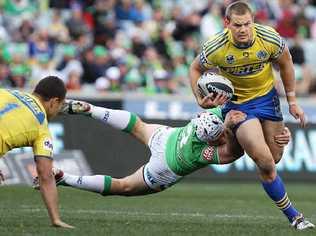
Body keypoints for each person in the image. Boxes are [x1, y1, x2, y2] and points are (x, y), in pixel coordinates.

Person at [35, 100, 296, 227]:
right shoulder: (202, 154)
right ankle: (64, 178)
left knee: (136, 125)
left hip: (168, 135)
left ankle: (90, 109)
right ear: (216, 140)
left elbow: (220, 111)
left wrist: (226, 118)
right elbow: (235, 152)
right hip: (167, 165)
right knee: (124, 186)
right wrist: (274, 138)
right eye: (221, 138)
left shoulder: (204, 122)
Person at [189, 1, 313, 230]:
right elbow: (195, 68)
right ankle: (295, 217)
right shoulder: (216, 47)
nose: (244, 29)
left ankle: (233, 140)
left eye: (247, 24)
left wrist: (293, 102)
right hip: (237, 105)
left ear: (253, 21)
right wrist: (199, 98)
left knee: (274, 157)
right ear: (227, 24)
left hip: (267, 99)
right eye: (238, 25)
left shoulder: (269, 38)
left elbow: (286, 63)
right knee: (265, 162)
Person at [0, 76, 73, 228]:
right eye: (60, 106)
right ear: (54, 102)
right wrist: (56, 219)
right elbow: (45, 175)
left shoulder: (10, 92)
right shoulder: (42, 127)